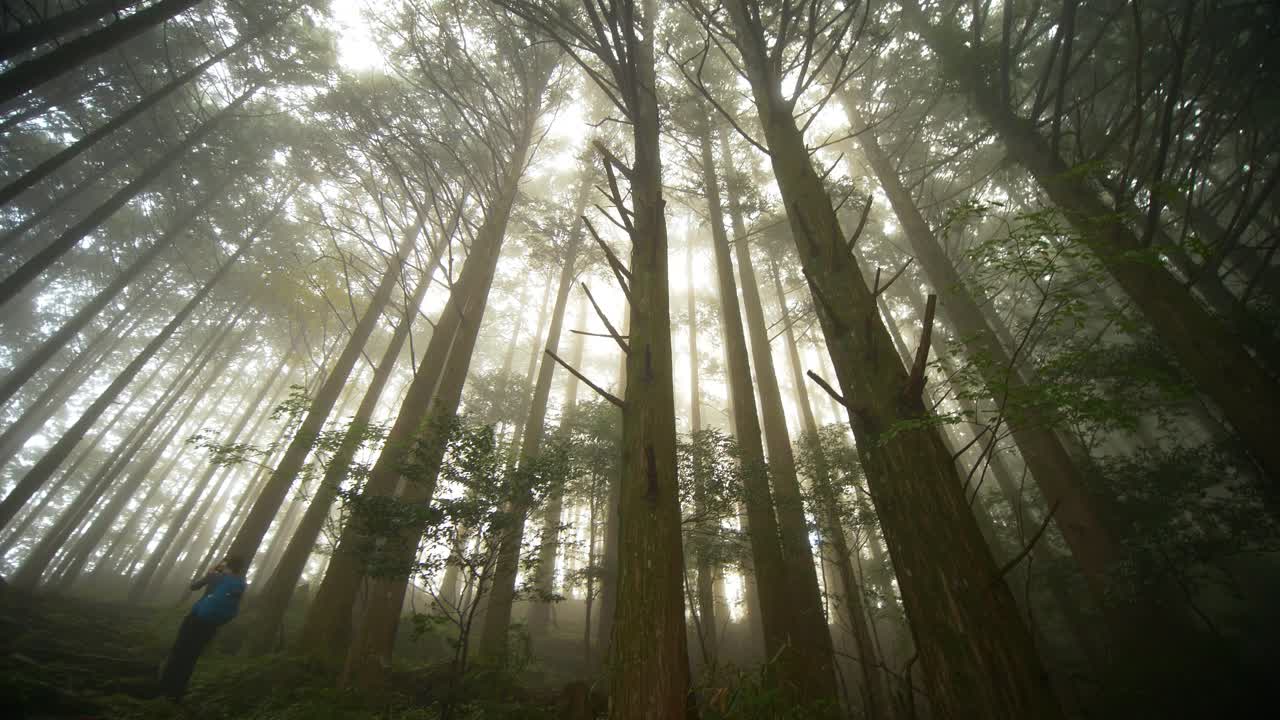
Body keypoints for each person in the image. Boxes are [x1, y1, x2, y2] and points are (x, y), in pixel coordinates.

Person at [158, 555, 248, 699]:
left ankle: (164, 687)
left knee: (179, 650)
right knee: (193, 655)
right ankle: (178, 691)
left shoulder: (216, 577)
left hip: (196, 618)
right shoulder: (241, 583)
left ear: (226, 566)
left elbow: (194, 586)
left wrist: (214, 570)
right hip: (212, 624)